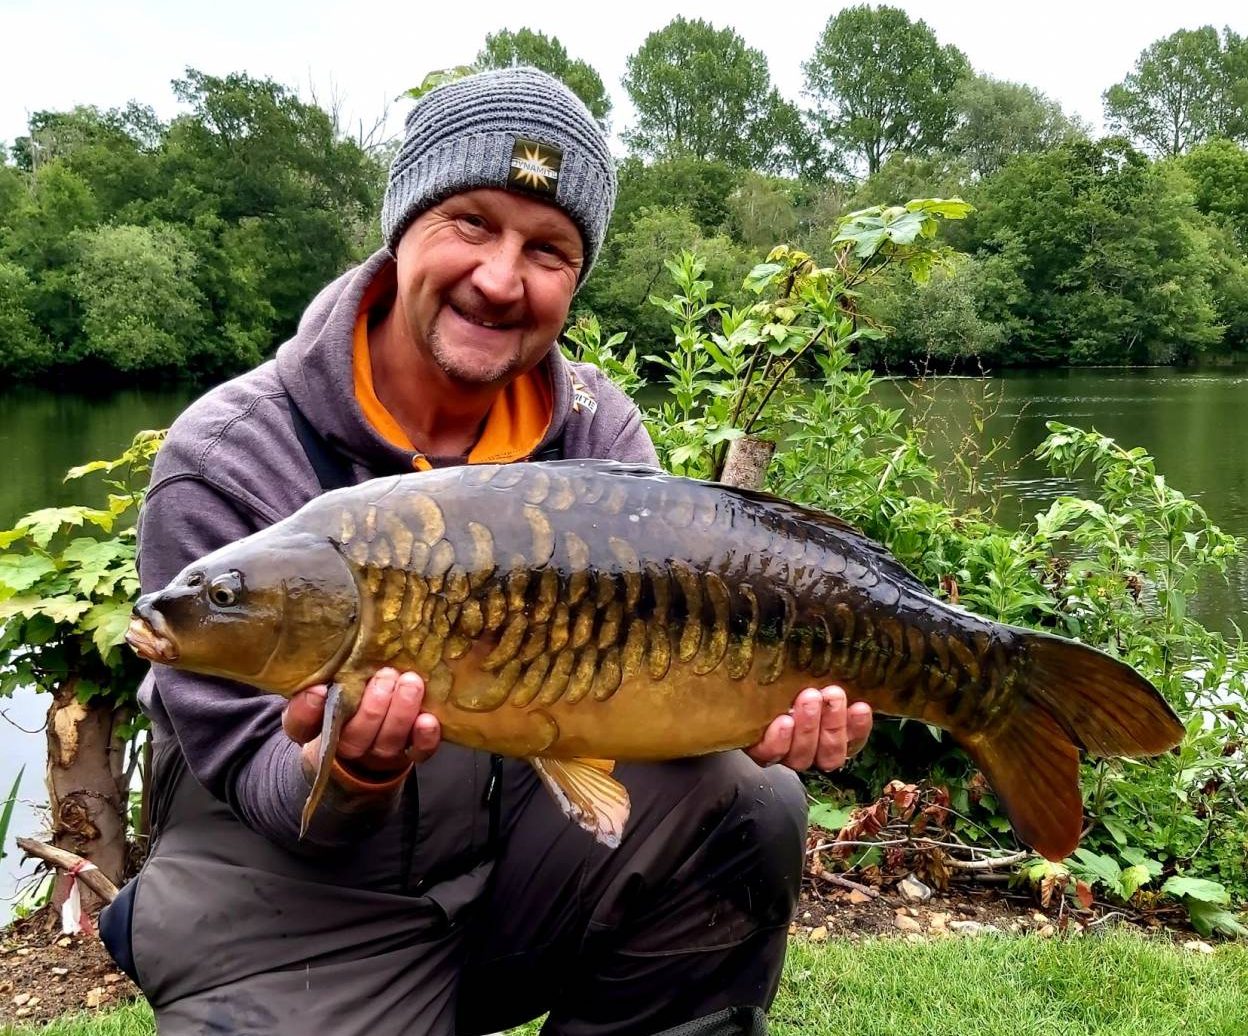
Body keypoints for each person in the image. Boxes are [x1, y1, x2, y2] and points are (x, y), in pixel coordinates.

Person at [101, 67, 874, 1036]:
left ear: (576, 278)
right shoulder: (228, 456)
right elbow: (255, 779)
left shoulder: (597, 433)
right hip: (296, 907)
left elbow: (662, 680)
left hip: (518, 869)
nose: (502, 279)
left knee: (749, 794)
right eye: (470, 222)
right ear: (402, 228)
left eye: (547, 249)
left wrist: (750, 707)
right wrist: (348, 770)